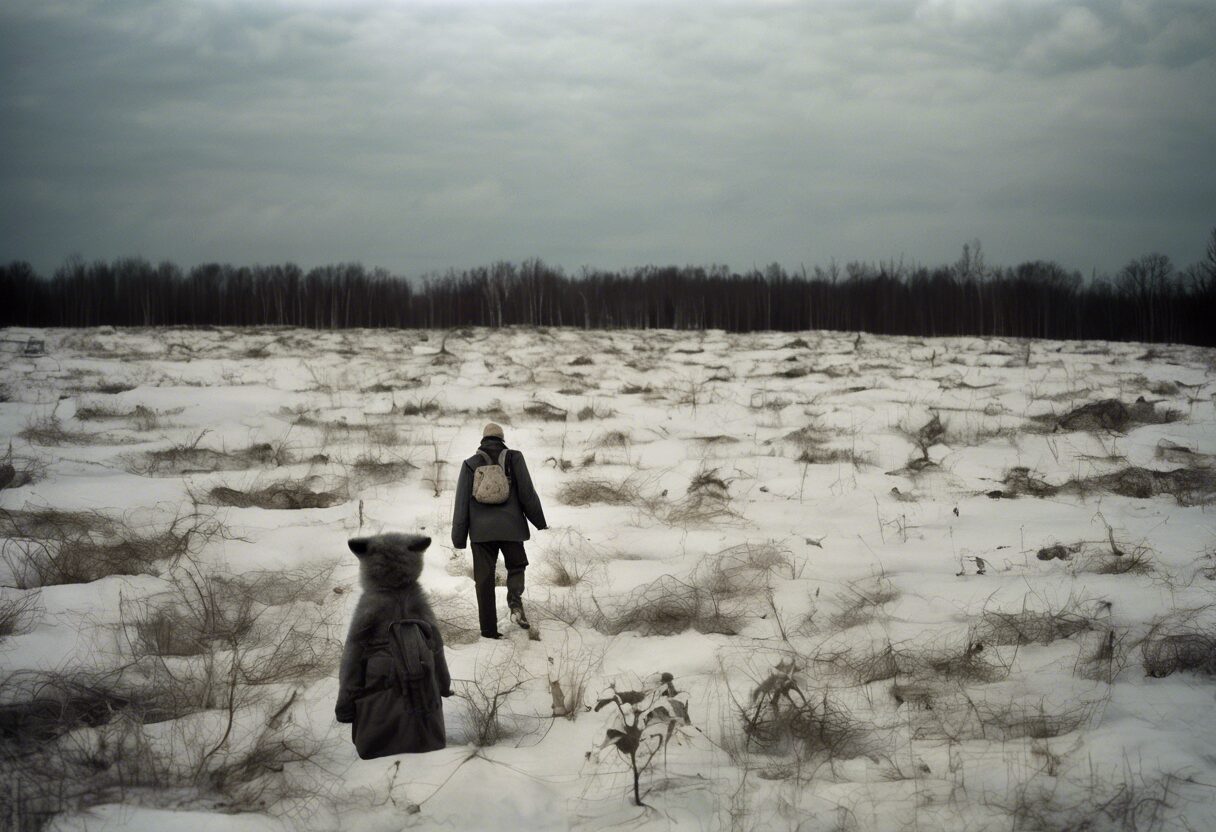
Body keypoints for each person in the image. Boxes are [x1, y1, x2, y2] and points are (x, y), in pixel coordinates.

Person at [451, 423, 547, 639]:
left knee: (483, 580)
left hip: (481, 533)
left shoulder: (470, 464)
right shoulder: (515, 458)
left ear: (483, 440)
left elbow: (461, 505)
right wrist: (539, 522)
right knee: (516, 566)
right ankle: (515, 605)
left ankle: (488, 631)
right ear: (502, 439)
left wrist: (459, 538)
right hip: (511, 529)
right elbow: (528, 494)